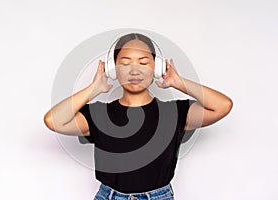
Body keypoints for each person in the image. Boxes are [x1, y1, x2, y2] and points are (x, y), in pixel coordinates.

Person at [44, 32, 233, 200]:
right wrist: (93, 89)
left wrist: (178, 82)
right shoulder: (99, 114)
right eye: (125, 63)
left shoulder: (174, 113)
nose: (135, 70)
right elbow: (53, 120)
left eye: (144, 62)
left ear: (157, 68)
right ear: (113, 69)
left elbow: (222, 106)